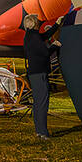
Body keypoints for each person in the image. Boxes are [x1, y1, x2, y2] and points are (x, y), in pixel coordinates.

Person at [23, 12, 61, 140]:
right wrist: (54, 46)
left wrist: (56, 25)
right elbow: (45, 53)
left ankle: (39, 130)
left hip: (33, 72)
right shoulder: (34, 37)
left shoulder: (30, 35)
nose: (39, 22)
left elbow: (44, 36)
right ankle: (43, 133)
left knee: (38, 103)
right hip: (39, 72)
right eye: (37, 21)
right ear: (34, 23)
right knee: (42, 102)